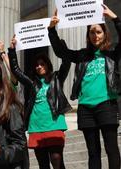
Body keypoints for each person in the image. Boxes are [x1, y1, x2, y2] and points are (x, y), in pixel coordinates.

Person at [48, 4, 120, 169]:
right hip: (86, 108)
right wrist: (52, 30)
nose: (95, 35)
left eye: (99, 32)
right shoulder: (82, 55)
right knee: (93, 152)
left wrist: (114, 18)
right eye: (92, 32)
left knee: (112, 149)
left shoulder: (112, 53)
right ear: (88, 35)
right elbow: (61, 52)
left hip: (107, 105)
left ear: (104, 33)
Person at [8, 36, 71, 169]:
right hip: (36, 126)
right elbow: (16, 71)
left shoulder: (57, 78)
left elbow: (66, 62)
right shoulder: (32, 83)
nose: (39, 67)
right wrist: (12, 50)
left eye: (42, 64)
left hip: (54, 124)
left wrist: (60, 44)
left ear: (48, 65)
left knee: (57, 159)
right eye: (37, 65)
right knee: (43, 164)